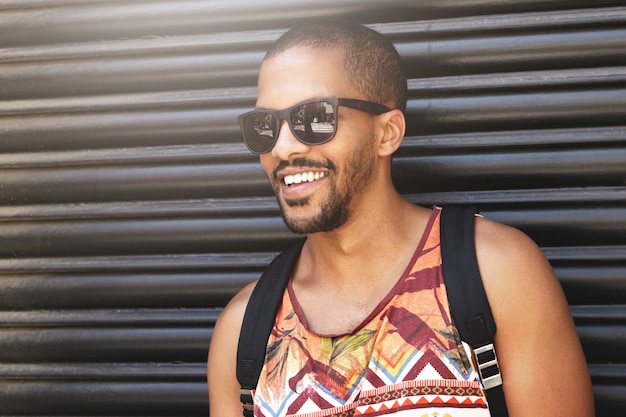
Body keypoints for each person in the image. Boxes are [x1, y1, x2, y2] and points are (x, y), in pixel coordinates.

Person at [208, 21, 595, 417]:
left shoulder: (497, 272)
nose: (283, 148)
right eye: (264, 127)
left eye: (314, 118)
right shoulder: (242, 332)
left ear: (387, 133)